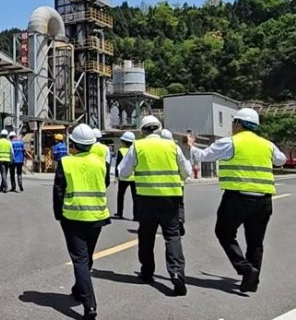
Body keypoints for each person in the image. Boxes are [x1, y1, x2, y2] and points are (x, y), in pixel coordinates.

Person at [187, 108, 287, 293]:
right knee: (255, 242)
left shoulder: (230, 142)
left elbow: (203, 156)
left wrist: (191, 145)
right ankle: (251, 281)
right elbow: (280, 160)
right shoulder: (267, 145)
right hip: (264, 200)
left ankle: (246, 269)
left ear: (238, 124)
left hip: (238, 198)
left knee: (224, 232)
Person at [118, 115, 191, 296]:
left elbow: (122, 172)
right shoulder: (172, 146)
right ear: (159, 129)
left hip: (146, 198)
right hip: (171, 198)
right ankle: (176, 273)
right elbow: (186, 171)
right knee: (172, 235)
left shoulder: (138, 146)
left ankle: (147, 272)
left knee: (146, 235)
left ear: (142, 130)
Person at [53, 123, 110, 320]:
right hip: (97, 217)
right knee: (87, 257)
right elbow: (106, 183)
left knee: (80, 259)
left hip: (73, 217)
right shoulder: (102, 162)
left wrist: (59, 214)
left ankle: (90, 305)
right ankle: (79, 290)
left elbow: (59, 191)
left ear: (74, 144)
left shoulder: (66, 162)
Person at [162, 128, 187, 236]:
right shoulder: (175, 148)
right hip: (177, 183)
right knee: (179, 204)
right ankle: (180, 220)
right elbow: (185, 168)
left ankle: (167, 224)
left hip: (162, 185)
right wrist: (184, 177)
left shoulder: (158, 150)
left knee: (165, 206)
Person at [114, 131, 138, 221]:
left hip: (124, 177)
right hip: (134, 177)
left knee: (120, 195)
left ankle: (119, 213)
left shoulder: (121, 150)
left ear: (123, 141)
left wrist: (117, 175)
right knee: (135, 197)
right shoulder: (136, 150)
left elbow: (118, 164)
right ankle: (136, 215)